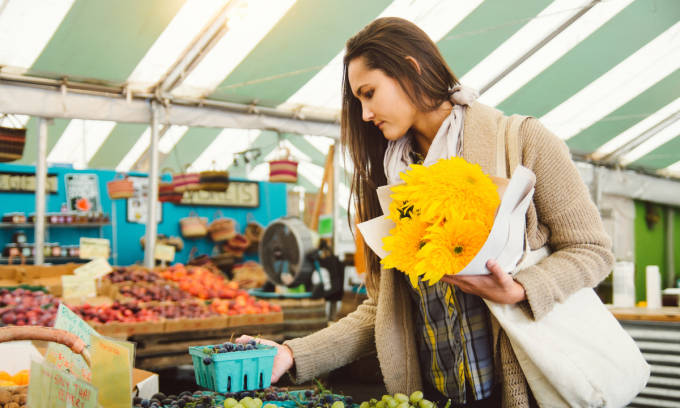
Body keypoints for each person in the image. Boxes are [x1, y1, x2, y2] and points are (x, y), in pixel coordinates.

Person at [237, 17, 614, 408]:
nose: (364, 114)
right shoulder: (390, 181)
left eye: (369, 93)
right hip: (433, 397)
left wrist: (520, 289)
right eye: (358, 101)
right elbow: (383, 314)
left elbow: (591, 249)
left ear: (411, 69)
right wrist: (293, 353)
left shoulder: (521, 141)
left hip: (520, 391)